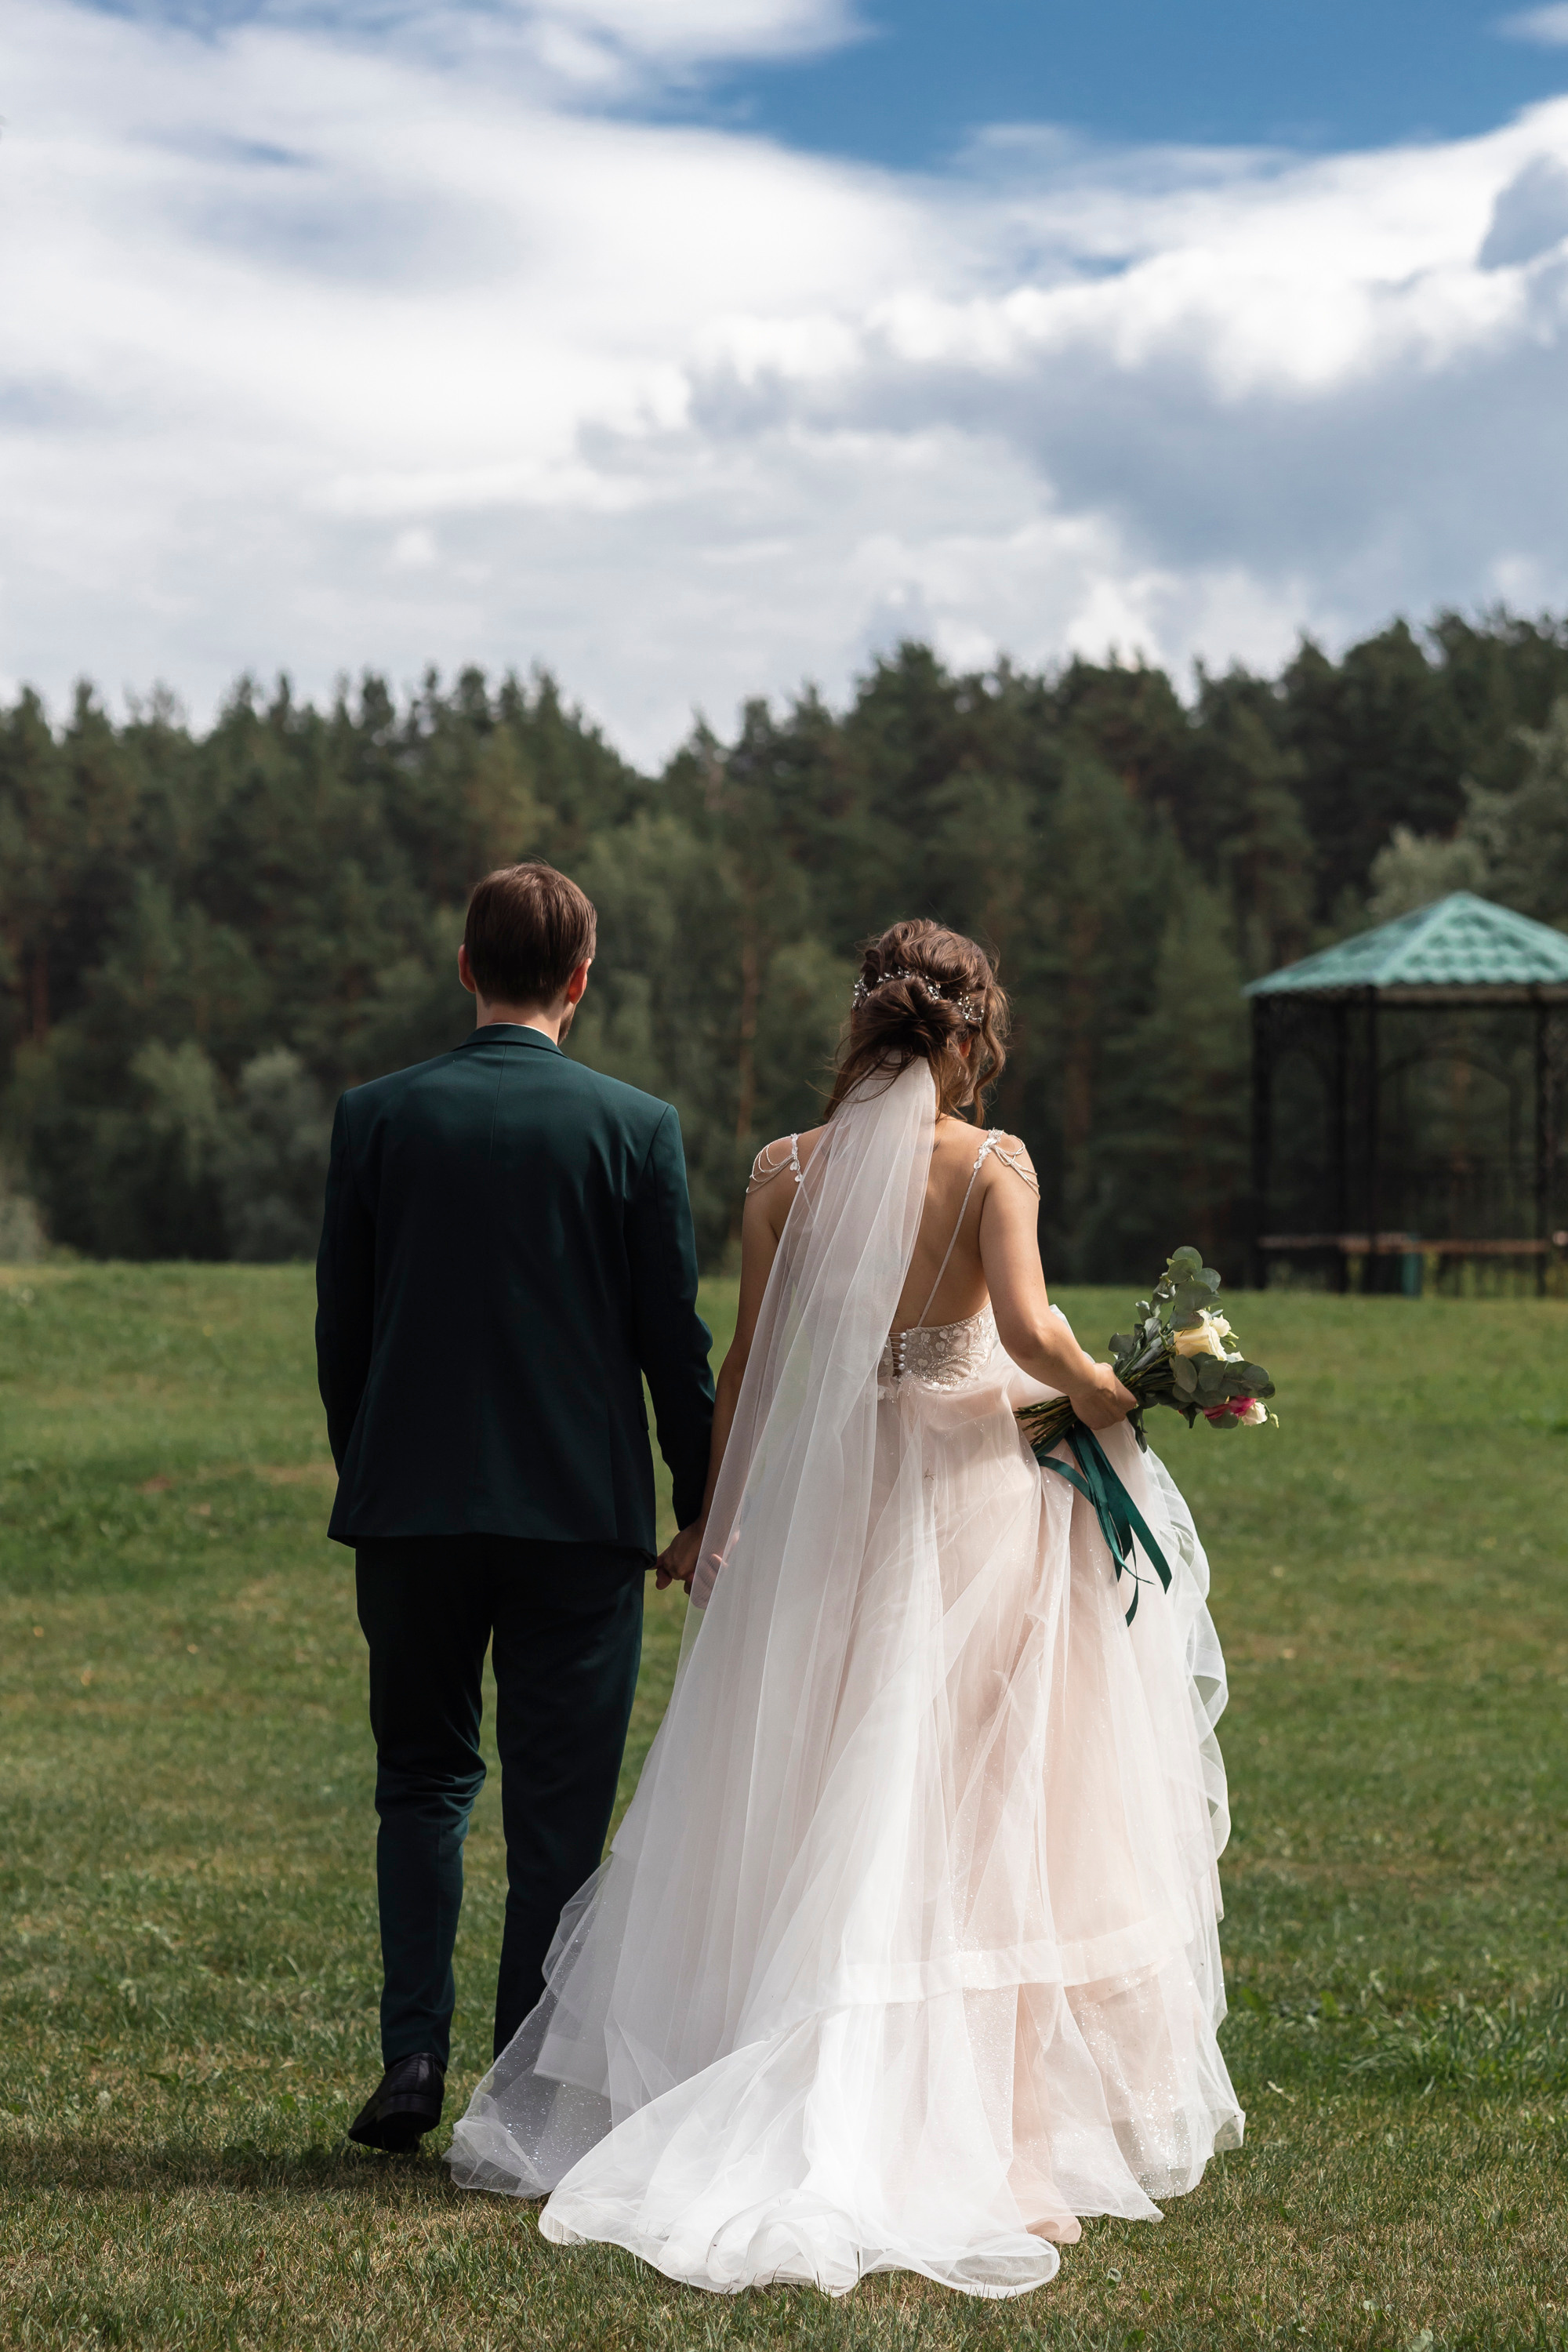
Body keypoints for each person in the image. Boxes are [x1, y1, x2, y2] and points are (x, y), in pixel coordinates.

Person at [447, 917, 1243, 2296]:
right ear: (972, 1032)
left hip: (840, 1501)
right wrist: (1138, 1391)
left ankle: (798, 2058)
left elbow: (751, 1358)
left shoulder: (780, 1174)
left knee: (830, 1778)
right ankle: (988, 2142)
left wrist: (711, 1518)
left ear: (860, 1023)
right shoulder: (995, 1164)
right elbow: (1032, 1336)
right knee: (981, 1799)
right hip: (979, 1489)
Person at [316, 859, 714, 2155]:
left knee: (421, 1784)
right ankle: (522, 2094)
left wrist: (371, 1468)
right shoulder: (635, 1127)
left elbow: (345, 1333)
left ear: (465, 967)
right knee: (558, 1815)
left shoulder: (376, 1117)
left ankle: (412, 2055)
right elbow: (672, 1339)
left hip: (413, 1507)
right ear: (582, 981)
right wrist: (699, 1497)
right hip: (579, 1519)